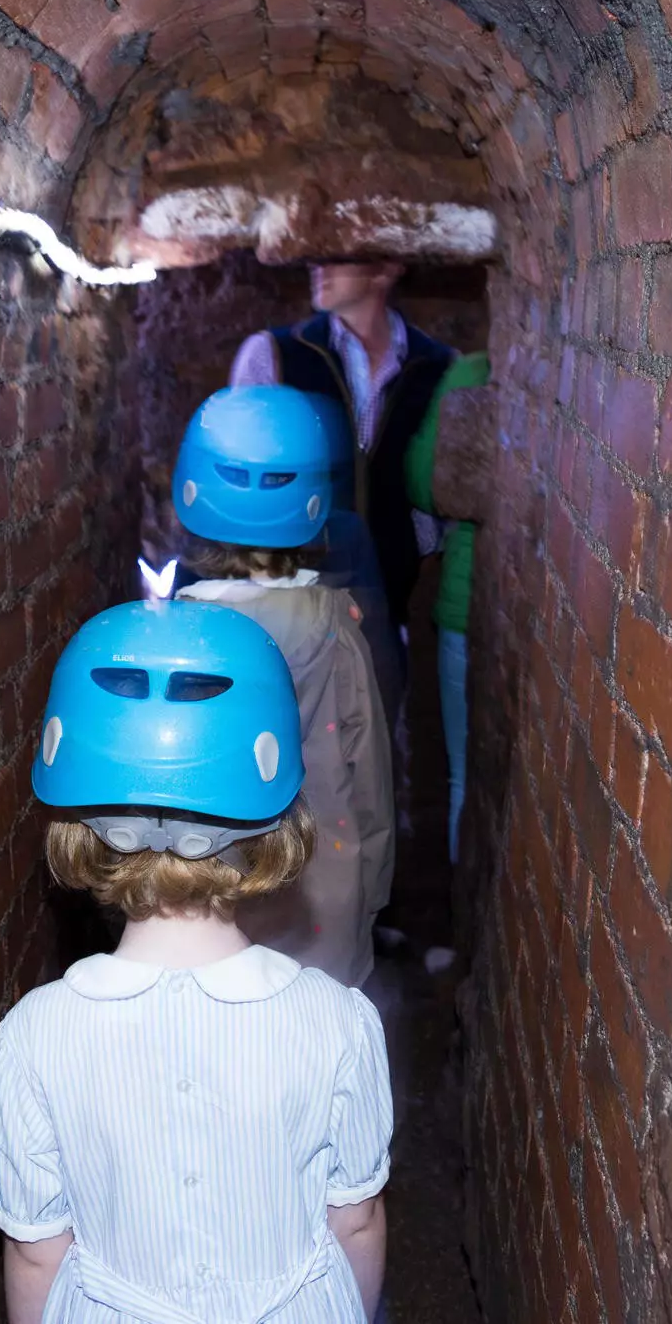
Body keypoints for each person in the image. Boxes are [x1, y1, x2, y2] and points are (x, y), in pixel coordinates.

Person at [0, 599, 392, 1324]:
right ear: (275, 820)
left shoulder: (30, 1039)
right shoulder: (339, 1022)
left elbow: (38, 1252)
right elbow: (354, 1220)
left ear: (84, 826)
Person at [169, 386, 395, 986]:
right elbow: (366, 768)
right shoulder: (334, 629)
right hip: (323, 895)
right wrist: (372, 891)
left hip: (205, 904)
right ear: (316, 499)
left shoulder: (176, 638)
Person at [230, 259, 458, 726]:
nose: (319, 264)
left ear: (387, 265)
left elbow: (440, 505)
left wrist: (411, 569)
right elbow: (237, 492)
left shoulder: (438, 368)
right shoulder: (271, 355)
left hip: (385, 618)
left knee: (370, 766)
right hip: (286, 612)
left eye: (341, 254)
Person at [404, 352, 491, 865]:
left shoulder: (471, 372)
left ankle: (466, 938)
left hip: (463, 601)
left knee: (463, 775)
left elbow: (423, 480)